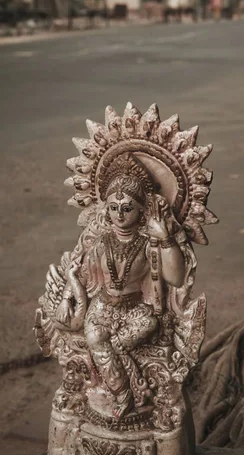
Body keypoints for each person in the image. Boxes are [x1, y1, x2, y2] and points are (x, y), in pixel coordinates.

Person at [56, 154, 191, 419]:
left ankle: (123, 365)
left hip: (135, 310)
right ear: (105, 208)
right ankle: (123, 394)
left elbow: (176, 279)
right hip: (103, 307)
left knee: (148, 325)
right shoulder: (98, 243)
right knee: (95, 336)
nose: (119, 214)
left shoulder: (148, 243)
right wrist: (66, 296)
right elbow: (79, 276)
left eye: (127, 208)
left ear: (142, 209)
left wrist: (164, 237)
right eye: (113, 207)